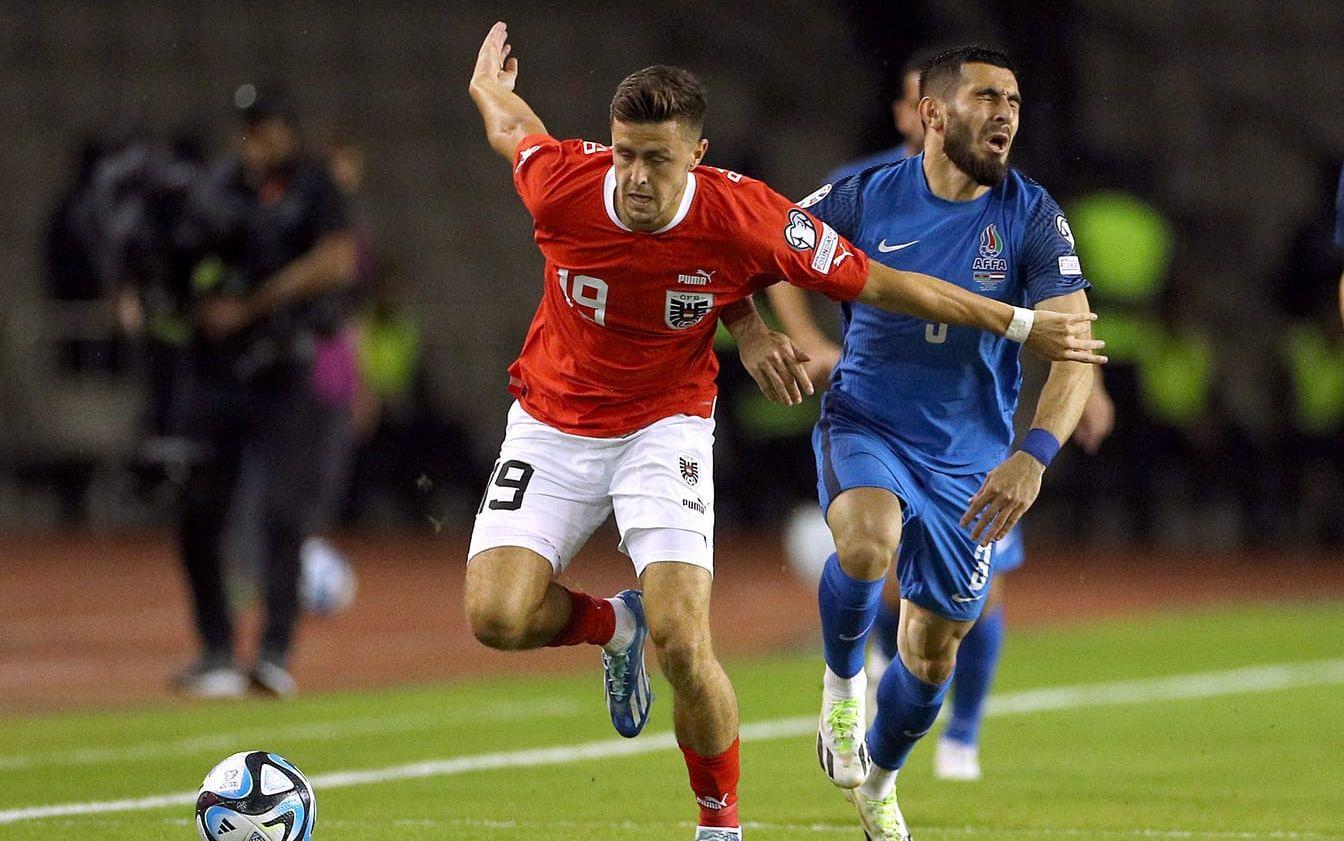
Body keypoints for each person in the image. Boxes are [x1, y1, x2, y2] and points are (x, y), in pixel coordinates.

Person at [465, 23, 1103, 840]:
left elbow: (869, 279)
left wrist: (1028, 414)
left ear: (696, 156)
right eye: (624, 154)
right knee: (498, 618)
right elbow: (513, 127)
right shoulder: (567, 184)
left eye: (656, 159)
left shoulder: (758, 211)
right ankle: (680, 643)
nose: (635, 176)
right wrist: (485, 84)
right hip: (569, 422)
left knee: (742, 644)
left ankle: (796, 801)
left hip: (687, 427)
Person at [767, 50, 1115, 784]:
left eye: (1013, 101)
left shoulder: (1031, 215)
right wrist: (771, 336)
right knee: (868, 542)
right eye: (987, 97)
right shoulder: (861, 195)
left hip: (970, 452)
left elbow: (1075, 347)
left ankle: (881, 781)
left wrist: (1034, 455)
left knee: (932, 651)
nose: (1005, 113)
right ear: (933, 113)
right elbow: (764, 249)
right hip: (868, 421)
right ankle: (841, 689)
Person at [169, 90, 358, 699]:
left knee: (282, 513)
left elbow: (336, 261)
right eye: (250, 129)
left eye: (269, 128)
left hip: (288, 374)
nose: (258, 141)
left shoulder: (314, 186)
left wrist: (251, 303)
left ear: (289, 132)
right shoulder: (218, 187)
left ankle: (274, 653)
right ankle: (217, 652)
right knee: (198, 507)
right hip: (220, 372)